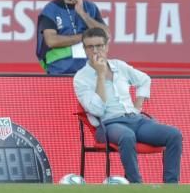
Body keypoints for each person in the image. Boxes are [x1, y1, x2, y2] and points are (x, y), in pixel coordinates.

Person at [73, 27, 183, 184]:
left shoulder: (119, 66)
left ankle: (171, 187)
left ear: (106, 47)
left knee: (174, 134)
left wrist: (137, 108)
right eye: (90, 47)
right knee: (127, 136)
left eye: (99, 46)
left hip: (135, 120)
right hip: (107, 125)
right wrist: (101, 75)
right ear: (84, 49)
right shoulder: (81, 77)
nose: (95, 50)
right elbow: (97, 110)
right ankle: (136, 185)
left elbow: (144, 80)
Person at [36, 0, 109, 75]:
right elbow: (51, 41)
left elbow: (106, 35)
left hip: (89, 71)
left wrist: (82, 13)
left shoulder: (90, 7)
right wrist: (85, 37)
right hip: (60, 72)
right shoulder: (50, 9)